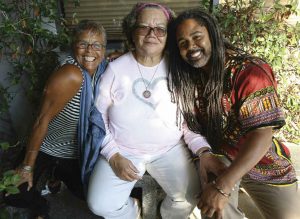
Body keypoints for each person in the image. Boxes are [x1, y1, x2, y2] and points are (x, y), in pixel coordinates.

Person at [167, 8, 299, 219]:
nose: (191, 47)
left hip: (260, 160)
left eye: (197, 37)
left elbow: (262, 134)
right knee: (214, 207)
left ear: (212, 34)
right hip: (217, 157)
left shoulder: (249, 71)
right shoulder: (188, 76)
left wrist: (224, 185)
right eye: (183, 43)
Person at [87, 3, 212, 219]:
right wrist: (113, 155)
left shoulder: (179, 69)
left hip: (169, 149)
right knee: (100, 205)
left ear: (168, 35)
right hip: (123, 150)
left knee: (190, 197)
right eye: (143, 27)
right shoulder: (115, 69)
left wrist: (203, 150)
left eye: (160, 29)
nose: (151, 34)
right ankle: (133, 211)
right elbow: (98, 118)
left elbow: (188, 122)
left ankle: (165, 215)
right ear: (132, 32)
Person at [4, 20, 107, 219]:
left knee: (89, 195)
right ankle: (42, 207)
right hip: (46, 145)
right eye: (83, 43)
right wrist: (27, 167)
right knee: (13, 194)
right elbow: (41, 120)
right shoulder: (71, 75)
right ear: (73, 45)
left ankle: (56, 174)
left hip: (74, 152)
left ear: (103, 49)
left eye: (96, 45)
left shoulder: (104, 70)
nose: (89, 51)